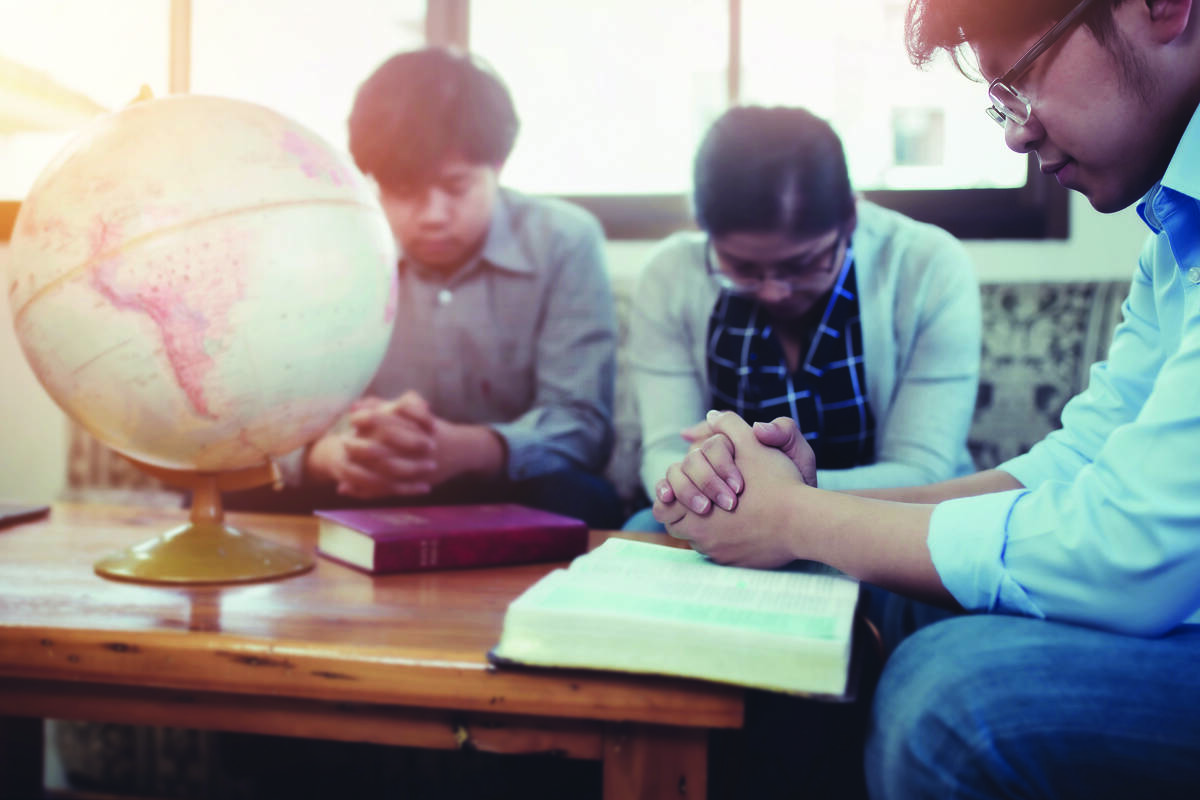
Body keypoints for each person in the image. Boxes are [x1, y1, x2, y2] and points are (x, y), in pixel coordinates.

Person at [652, 0, 1200, 796]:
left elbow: (1127, 548)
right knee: (825, 581)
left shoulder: (925, 264)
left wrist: (797, 517)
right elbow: (1080, 462)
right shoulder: (1174, 235)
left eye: (1024, 78)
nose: (1015, 132)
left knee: (951, 702)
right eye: (999, 100)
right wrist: (793, 501)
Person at [248, 47, 623, 530]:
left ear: (499, 164)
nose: (434, 215)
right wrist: (331, 457)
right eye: (405, 192)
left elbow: (583, 425)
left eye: (456, 186)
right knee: (246, 500)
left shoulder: (564, 242)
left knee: (584, 501)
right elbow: (275, 413)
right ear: (372, 181)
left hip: (505, 488)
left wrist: (463, 450)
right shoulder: (331, 251)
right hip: (360, 486)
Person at [624, 105, 980, 531]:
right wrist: (696, 476)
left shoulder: (927, 267)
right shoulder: (670, 275)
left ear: (850, 217)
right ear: (704, 229)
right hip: (732, 513)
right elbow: (665, 451)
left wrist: (775, 494)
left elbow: (923, 472)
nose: (774, 291)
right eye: (742, 268)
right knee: (643, 529)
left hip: (887, 517)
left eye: (801, 265)